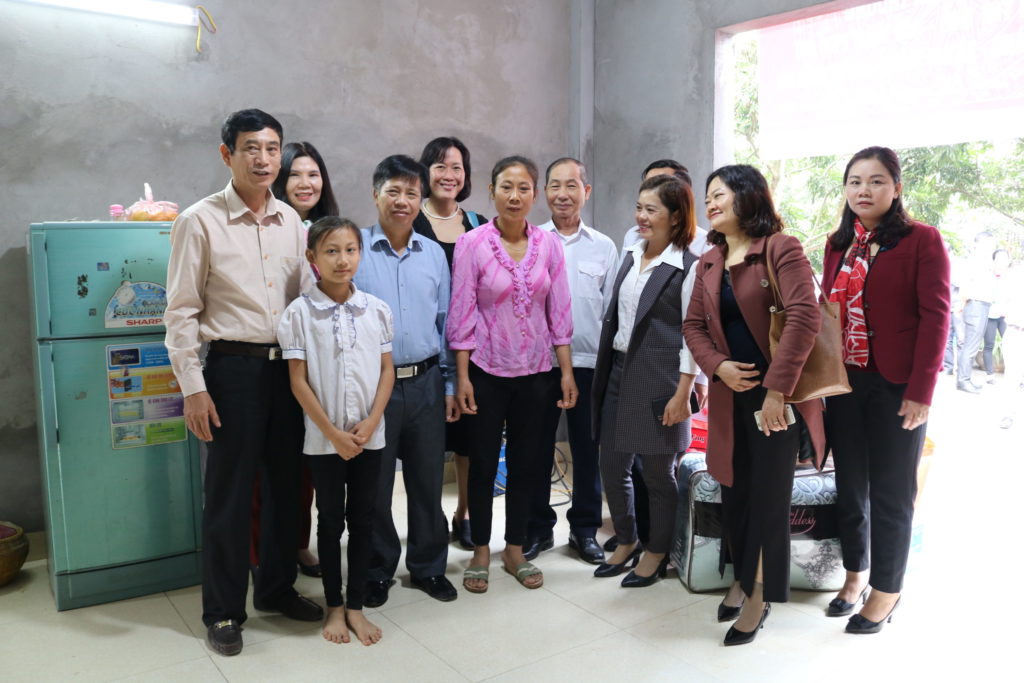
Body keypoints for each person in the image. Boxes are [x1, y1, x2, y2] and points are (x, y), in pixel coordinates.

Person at [164, 108, 323, 657]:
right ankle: (225, 611)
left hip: (289, 372)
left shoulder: (293, 222)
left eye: (273, 148)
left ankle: (276, 590)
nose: (264, 159)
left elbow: (308, 301)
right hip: (231, 370)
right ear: (227, 154)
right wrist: (193, 387)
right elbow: (181, 311)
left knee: (286, 488)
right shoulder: (199, 220)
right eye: (251, 148)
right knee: (229, 497)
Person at [682, 164, 825, 646]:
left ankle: (760, 597)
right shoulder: (709, 260)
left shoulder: (781, 248)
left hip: (775, 400)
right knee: (735, 492)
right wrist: (717, 367)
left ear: (748, 197)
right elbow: (693, 327)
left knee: (767, 500)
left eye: (719, 194)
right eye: (708, 196)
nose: (711, 203)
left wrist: (776, 391)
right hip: (729, 396)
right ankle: (741, 577)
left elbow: (805, 316)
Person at [821, 147, 950, 634]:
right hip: (845, 383)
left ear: (896, 188)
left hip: (899, 386)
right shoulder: (838, 244)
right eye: (855, 181)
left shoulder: (922, 241)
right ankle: (854, 575)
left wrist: (922, 391)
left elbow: (937, 319)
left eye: (876, 181)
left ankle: (887, 589)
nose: (863, 190)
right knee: (850, 486)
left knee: (893, 493)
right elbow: (825, 313)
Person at [448, 155, 577, 593]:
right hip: (485, 369)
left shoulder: (549, 245)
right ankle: (481, 548)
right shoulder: (472, 243)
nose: (515, 196)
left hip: (538, 372)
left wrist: (565, 373)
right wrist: (462, 377)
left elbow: (559, 313)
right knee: (483, 462)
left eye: (524, 188)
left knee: (531, 463)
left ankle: (515, 548)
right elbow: (462, 311)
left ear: (534, 194)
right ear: (492, 191)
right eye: (507, 187)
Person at [278, 217, 395, 646]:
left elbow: (386, 372)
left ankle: (357, 606)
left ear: (360, 255)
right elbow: (297, 381)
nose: (342, 260)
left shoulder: (376, 310)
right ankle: (333, 607)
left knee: (363, 520)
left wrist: (371, 420)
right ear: (312, 258)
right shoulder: (299, 314)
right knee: (329, 521)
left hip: (369, 436)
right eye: (330, 250)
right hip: (323, 440)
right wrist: (332, 432)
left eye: (350, 250)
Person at [354, 155, 458, 607]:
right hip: (372, 385)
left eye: (411, 193)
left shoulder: (433, 253)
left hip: (427, 382)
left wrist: (451, 385)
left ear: (421, 199)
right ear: (375, 194)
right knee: (375, 483)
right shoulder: (353, 247)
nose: (402, 201)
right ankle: (377, 569)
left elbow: (447, 322)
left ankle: (429, 566)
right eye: (393, 191)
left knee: (427, 479)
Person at [592, 174, 700, 587]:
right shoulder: (632, 253)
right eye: (639, 207)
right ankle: (626, 538)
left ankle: (656, 553)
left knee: (657, 474)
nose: (641, 216)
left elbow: (694, 332)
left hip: (661, 381)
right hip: (617, 371)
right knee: (611, 463)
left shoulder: (687, 267)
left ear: (676, 218)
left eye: (651, 209)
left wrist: (684, 392)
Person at [523, 157, 618, 565]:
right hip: (539, 364)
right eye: (555, 185)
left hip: (590, 363)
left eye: (572, 185)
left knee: (586, 448)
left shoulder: (604, 246)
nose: (563, 194)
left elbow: (613, 310)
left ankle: (584, 530)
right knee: (537, 448)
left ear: (586, 191)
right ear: (545, 192)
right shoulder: (529, 241)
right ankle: (537, 529)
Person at [251, 140, 339, 578]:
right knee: (270, 469)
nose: (306, 183)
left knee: (309, 464)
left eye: (314, 174)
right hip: (275, 361)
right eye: (296, 175)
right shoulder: (270, 229)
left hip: (321, 365)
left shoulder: (330, 232)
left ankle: (299, 544)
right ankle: (265, 553)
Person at [412, 136, 485, 550]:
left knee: (470, 440)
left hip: (473, 350)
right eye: (439, 166)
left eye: (456, 167)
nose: (448, 175)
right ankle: (429, 520)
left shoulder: (477, 224)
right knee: (428, 442)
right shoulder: (410, 220)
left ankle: (466, 512)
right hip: (425, 348)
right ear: (425, 173)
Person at [956, 231, 997, 392]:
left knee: (972, 344)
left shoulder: (984, 261)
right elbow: (965, 286)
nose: (992, 247)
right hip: (975, 304)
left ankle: (965, 379)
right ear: (979, 243)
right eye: (989, 243)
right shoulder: (974, 261)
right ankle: (963, 381)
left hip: (982, 305)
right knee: (971, 345)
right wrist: (963, 304)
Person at [272, 141, 340, 225]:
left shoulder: (335, 230)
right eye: (294, 175)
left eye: (312, 175)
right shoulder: (266, 228)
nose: (305, 184)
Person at [983, 249, 1010, 383]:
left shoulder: (1011, 276)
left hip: (1006, 315)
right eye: (999, 258)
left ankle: (1014, 374)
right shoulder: (987, 275)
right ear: (994, 260)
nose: (1002, 261)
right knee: (989, 344)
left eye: (1005, 258)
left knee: (1011, 344)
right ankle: (990, 375)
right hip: (990, 314)